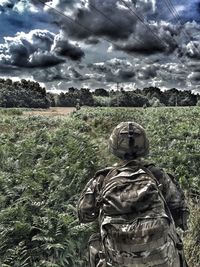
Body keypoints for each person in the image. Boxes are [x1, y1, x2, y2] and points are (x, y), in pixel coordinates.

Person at [77, 122, 189, 267]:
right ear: (144, 147)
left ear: (114, 147)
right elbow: (181, 214)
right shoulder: (158, 175)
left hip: (117, 261)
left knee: (94, 241)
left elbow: (84, 215)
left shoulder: (102, 179)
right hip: (162, 261)